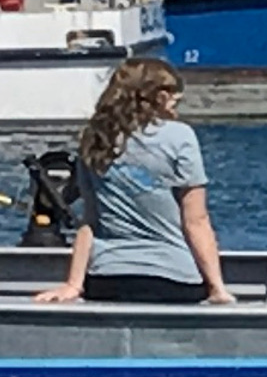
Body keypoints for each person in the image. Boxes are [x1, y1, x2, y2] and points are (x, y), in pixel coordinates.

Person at [36, 57, 232, 304]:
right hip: (174, 279)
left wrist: (74, 284)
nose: (176, 108)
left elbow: (90, 221)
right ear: (159, 97)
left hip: (106, 277)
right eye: (175, 100)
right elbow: (196, 221)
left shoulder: (96, 138)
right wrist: (217, 287)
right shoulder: (180, 137)